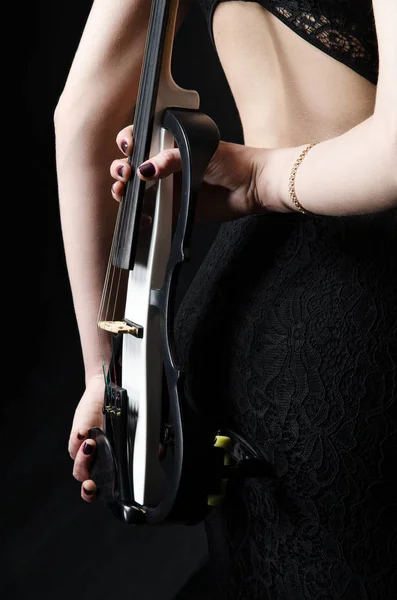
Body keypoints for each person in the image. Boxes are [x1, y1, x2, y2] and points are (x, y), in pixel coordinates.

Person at [54, 1, 397, 597]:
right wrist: (259, 178)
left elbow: (80, 117)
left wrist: (105, 374)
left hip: (230, 314)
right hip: (366, 320)